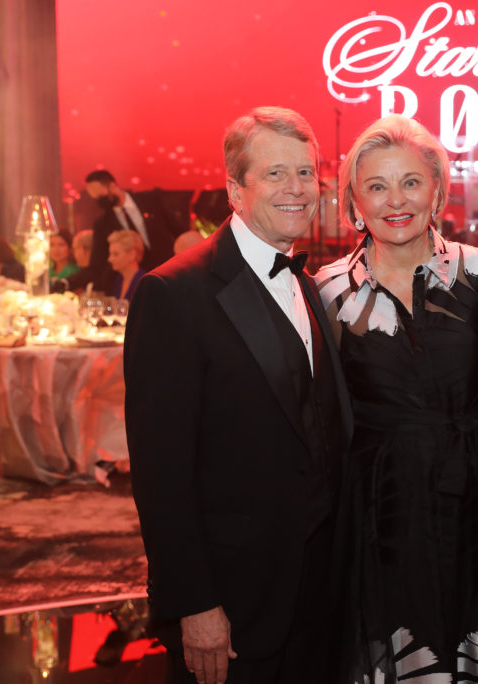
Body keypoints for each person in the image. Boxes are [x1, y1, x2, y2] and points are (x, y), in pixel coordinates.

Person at [124, 106, 352, 684]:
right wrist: (194, 603)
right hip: (231, 607)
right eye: (276, 174)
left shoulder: (307, 283)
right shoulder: (173, 293)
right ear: (235, 189)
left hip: (317, 597)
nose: (297, 188)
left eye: (306, 173)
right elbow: (160, 473)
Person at [314, 115, 478, 682]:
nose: (396, 200)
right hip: (376, 509)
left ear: (438, 192)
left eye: (411, 182)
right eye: (376, 186)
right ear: (354, 204)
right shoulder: (324, 291)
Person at [67, 170, 180, 292]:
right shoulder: (103, 224)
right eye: (95, 198)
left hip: (169, 273)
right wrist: (67, 283)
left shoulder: (151, 201)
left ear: (112, 186)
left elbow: (178, 230)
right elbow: (96, 265)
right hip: (138, 283)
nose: (99, 201)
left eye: (101, 196)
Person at [107, 230, 145, 301]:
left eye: (115, 254)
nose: (110, 259)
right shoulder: (119, 279)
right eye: (110, 254)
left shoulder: (144, 282)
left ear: (132, 255)